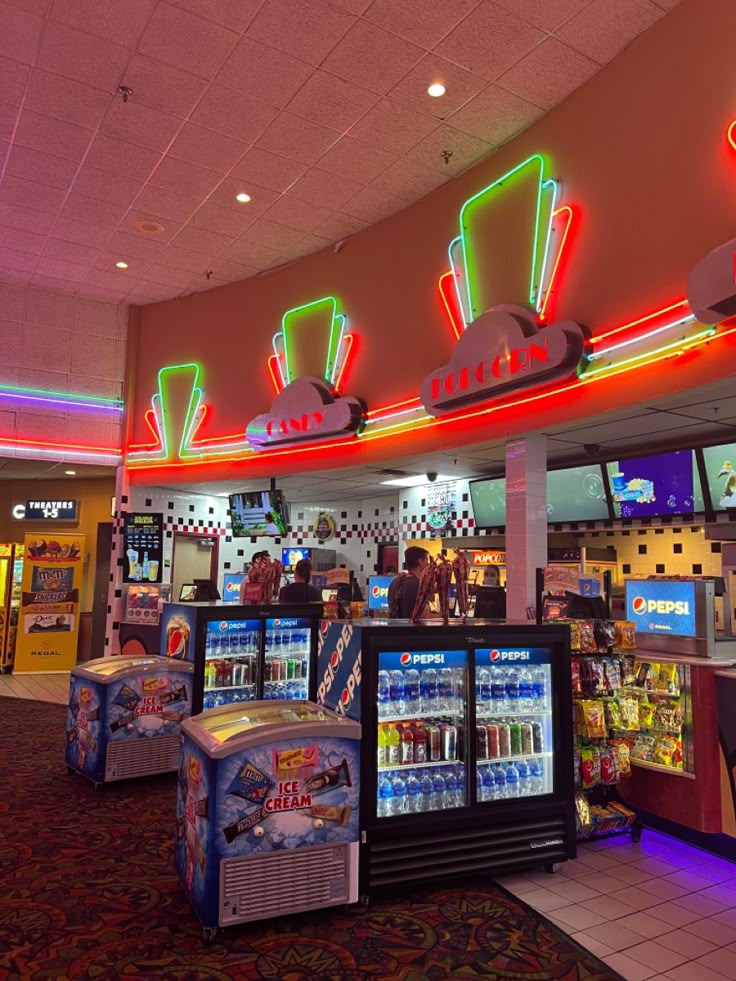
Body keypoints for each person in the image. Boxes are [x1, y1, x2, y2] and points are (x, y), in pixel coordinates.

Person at [388, 546, 430, 619]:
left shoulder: (394, 582)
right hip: (412, 630)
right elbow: (426, 616)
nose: (428, 564)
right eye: (426, 560)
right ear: (420, 562)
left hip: (396, 629)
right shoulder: (418, 585)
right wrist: (443, 613)